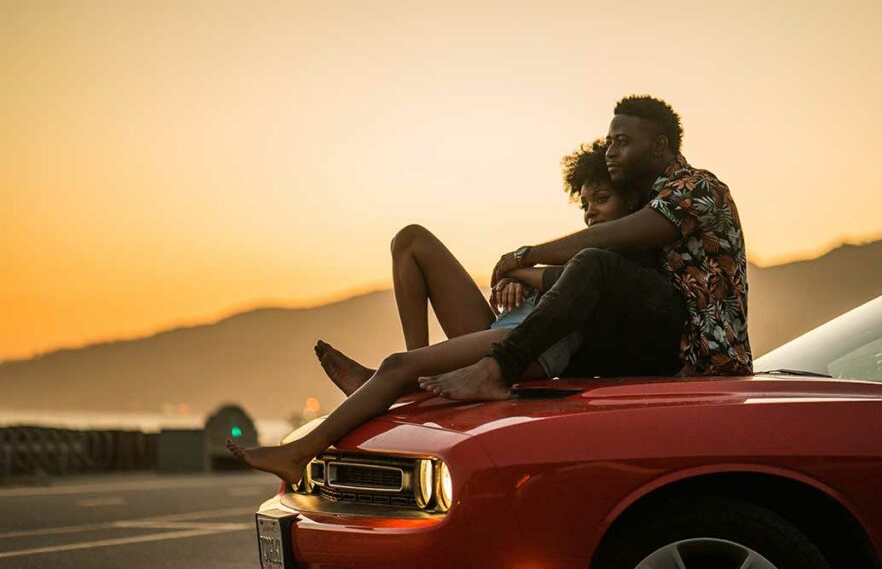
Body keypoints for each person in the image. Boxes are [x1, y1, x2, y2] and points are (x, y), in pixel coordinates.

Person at [227, 141, 645, 483]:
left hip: (530, 346)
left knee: (397, 365)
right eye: (585, 203)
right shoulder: (577, 253)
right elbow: (553, 278)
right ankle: (403, 382)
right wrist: (519, 281)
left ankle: (301, 451)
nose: (590, 212)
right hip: (503, 327)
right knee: (410, 241)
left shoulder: (624, 256)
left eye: (602, 200)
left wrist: (524, 272)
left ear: (630, 205)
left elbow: (583, 284)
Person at [419, 95, 752, 401]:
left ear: (658, 145)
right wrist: (525, 277)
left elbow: (605, 240)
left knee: (595, 262)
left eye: (621, 142)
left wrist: (527, 256)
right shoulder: (643, 199)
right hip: (653, 347)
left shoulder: (697, 187)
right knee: (580, 307)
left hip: (709, 356)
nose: (610, 151)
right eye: (608, 143)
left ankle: (496, 368)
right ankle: (442, 374)